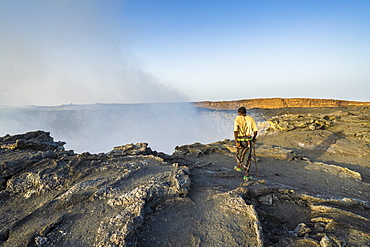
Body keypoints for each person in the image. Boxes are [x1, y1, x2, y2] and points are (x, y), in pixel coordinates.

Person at [233, 106, 258, 180]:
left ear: (239, 113)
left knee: (239, 153)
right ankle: (246, 174)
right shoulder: (251, 119)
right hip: (248, 140)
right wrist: (253, 138)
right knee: (247, 157)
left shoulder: (237, 119)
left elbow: (235, 131)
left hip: (240, 139)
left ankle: (239, 166)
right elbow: (255, 131)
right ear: (245, 113)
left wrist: (236, 141)